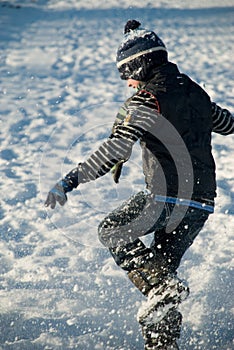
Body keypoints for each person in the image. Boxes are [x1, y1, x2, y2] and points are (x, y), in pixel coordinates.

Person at [45, 20, 234, 350]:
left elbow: (114, 149)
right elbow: (227, 124)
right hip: (201, 202)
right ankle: (163, 344)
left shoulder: (147, 101)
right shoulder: (197, 93)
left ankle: (162, 292)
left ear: (140, 65)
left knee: (112, 230)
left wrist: (69, 180)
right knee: (161, 276)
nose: (128, 83)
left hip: (167, 198)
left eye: (126, 74)